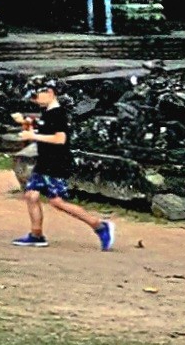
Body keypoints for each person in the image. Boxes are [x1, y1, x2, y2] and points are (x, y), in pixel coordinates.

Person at [12, 82, 114, 250]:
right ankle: (36, 234)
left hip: (56, 163)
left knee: (57, 201)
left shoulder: (58, 114)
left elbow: (60, 139)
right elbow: (41, 132)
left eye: (36, 96)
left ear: (50, 92)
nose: (35, 100)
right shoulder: (47, 112)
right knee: (31, 195)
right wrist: (26, 124)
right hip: (44, 162)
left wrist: (33, 135)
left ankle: (99, 226)